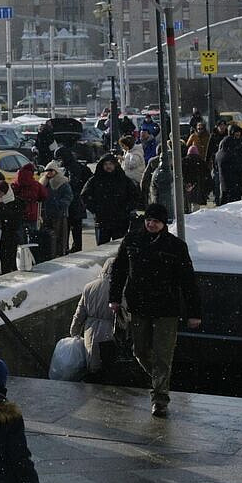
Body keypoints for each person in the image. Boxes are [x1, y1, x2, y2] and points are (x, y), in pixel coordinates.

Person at [109, 202, 201, 417]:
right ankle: (161, 379)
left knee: (162, 354)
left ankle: (160, 398)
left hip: (166, 308)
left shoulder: (175, 247)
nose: (151, 224)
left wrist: (194, 313)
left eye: (156, 221)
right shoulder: (132, 241)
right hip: (139, 305)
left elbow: (188, 281)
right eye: (148, 220)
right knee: (140, 350)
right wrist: (114, 298)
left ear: (164, 224)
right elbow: (119, 270)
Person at [68, 265, 118, 376]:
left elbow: (79, 313)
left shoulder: (88, 287)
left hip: (90, 332)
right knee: (109, 368)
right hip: (109, 333)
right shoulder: (118, 289)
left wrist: (74, 332)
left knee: (93, 366)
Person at [82, 154, 141, 244]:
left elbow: (135, 196)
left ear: (115, 165)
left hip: (121, 220)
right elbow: (84, 195)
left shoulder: (123, 180)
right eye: (106, 164)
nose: (108, 166)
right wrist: (95, 209)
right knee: (102, 247)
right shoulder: (95, 180)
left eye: (110, 164)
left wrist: (127, 209)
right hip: (102, 219)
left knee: (119, 246)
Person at [11, 163, 47, 261]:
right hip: (32, 213)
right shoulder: (35, 184)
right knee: (33, 236)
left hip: (19, 214)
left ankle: (22, 257)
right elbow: (44, 195)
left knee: (20, 237)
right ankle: (33, 256)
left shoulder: (15, 183)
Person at [42, 164, 73, 259]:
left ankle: (60, 253)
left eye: (51, 170)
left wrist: (59, 205)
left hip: (59, 214)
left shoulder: (62, 182)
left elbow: (68, 197)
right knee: (49, 236)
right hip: (46, 214)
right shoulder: (43, 182)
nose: (49, 173)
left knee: (60, 236)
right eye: (47, 171)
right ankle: (50, 253)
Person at [63, 153, 93, 251]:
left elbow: (73, 183)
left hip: (74, 202)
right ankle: (75, 247)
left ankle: (71, 247)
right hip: (78, 201)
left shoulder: (72, 168)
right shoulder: (75, 166)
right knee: (76, 227)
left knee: (72, 226)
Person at [215, 126, 242, 205]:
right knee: (231, 196)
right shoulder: (228, 142)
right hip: (231, 174)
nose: (238, 134)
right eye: (236, 133)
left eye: (239, 133)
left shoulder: (241, 142)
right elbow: (222, 157)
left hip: (238, 174)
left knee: (232, 195)